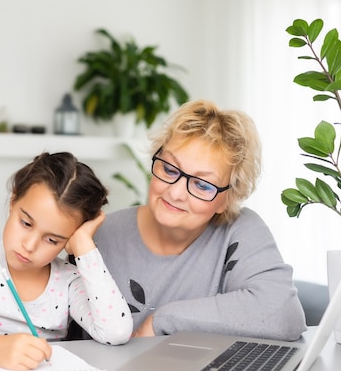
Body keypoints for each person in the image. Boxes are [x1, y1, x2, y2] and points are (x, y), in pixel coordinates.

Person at [93, 99, 307, 341]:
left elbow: (282, 313)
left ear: (227, 198)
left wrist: (163, 320)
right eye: (170, 170)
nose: (175, 193)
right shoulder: (100, 234)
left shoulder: (240, 230)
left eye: (202, 185)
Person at [0, 152, 132, 370]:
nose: (30, 245)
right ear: (13, 202)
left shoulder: (69, 280)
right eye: (26, 223)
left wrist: (84, 246)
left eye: (52, 239)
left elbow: (115, 332)